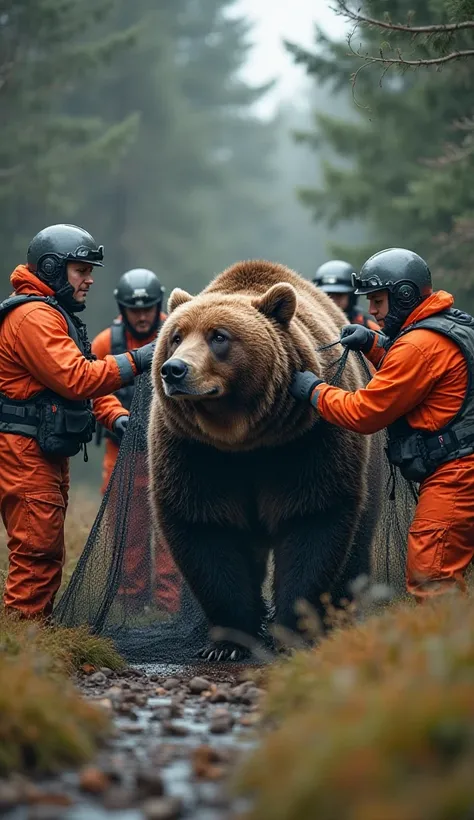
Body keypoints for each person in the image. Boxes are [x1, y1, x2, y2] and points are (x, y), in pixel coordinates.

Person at [292, 247, 474, 601]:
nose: (371, 311)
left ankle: (443, 656)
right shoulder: (450, 323)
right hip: (464, 467)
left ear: (404, 295)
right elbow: (418, 371)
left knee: (432, 580)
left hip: (457, 476)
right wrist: (374, 343)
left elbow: (365, 412)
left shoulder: (418, 345)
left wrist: (313, 391)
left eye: (378, 301)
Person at [0, 224, 156, 619]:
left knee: (46, 549)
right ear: (52, 268)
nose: (89, 280)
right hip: (25, 450)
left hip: (41, 449)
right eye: (81, 270)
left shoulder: (51, 312)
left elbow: (81, 385)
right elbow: (77, 378)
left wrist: (116, 417)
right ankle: (25, 651)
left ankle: (36, 635)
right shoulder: (33, 317)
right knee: (36, 551)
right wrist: (141, 359)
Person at [92, 268, 181, 614]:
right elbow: (96, 391)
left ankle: (168, 606)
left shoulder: (180, 333)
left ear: (159, 304)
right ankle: (130, 605)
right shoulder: (105, 343)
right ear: (122, 307)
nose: (142, 316)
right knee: (128, 532)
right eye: (134, 309)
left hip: (171, 454)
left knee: (172, 533)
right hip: (123, 454)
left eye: (147, 308)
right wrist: (117, 417)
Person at [313, 259, 379, 330]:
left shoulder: (370, 329)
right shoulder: (309, 327)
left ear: (352, 297)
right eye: (327, 295)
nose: (332, 301)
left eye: (339, 295)